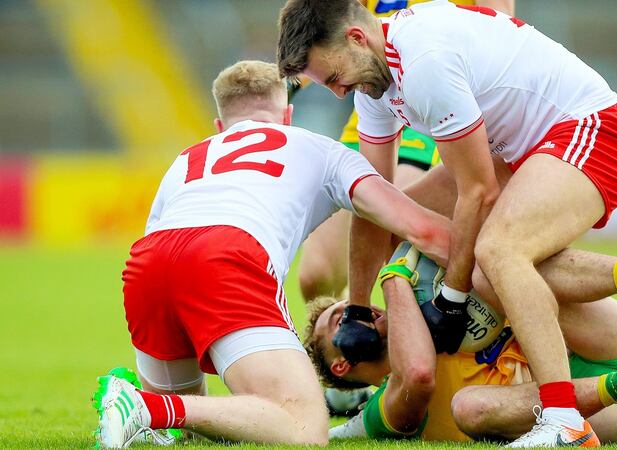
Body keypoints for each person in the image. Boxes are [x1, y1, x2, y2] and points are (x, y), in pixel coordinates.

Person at [277, 1, 617, 445]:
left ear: (355, 39)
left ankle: (563, 420)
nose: (337, 93)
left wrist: (451, 296)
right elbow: (374, 208)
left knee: (497, 254)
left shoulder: (423, 62)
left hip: (592, 129)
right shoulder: (377, 81)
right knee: (419, 227)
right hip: (528, 148)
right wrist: (355, 306)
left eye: (332, 78)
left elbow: (478, 190)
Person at [91, 60, 453, 448]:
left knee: (181, 432)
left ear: (220, 126)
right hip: (229, 254)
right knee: (304, 427)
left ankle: (146, 410)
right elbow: (420, 227)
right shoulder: (322, 150)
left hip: (148, 263)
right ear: (288, 115)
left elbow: (160, 237)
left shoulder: (187, 158)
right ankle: (145, 407)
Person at [304, 245, 617, 444]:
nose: (357, 312)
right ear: (342, 364)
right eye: (340, 321)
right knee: (468, 407)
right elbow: (334, 433)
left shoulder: (440, 304)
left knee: (497, 270)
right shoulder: (388, 405)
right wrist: (393, 275)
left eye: (353, 307)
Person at [298, 0, 515, 301]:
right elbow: (326, 34)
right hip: (374, 100)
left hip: (432, 101)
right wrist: (276, 89)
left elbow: (499, 26)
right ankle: (354, 325)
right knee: (316, 276)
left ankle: (451, 315)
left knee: (396, 234)